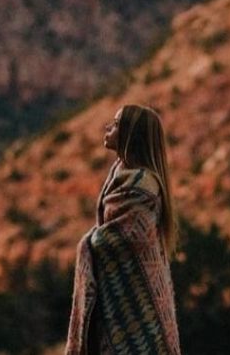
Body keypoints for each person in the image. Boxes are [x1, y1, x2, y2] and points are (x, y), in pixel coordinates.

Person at [64, 104, 182, 354]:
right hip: (118, 307)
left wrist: (87, 242)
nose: (109, 127)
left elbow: (122, 238)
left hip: (138, 314)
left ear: (131, 134)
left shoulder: (142, 184)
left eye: (116, 124)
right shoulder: (122, 173)